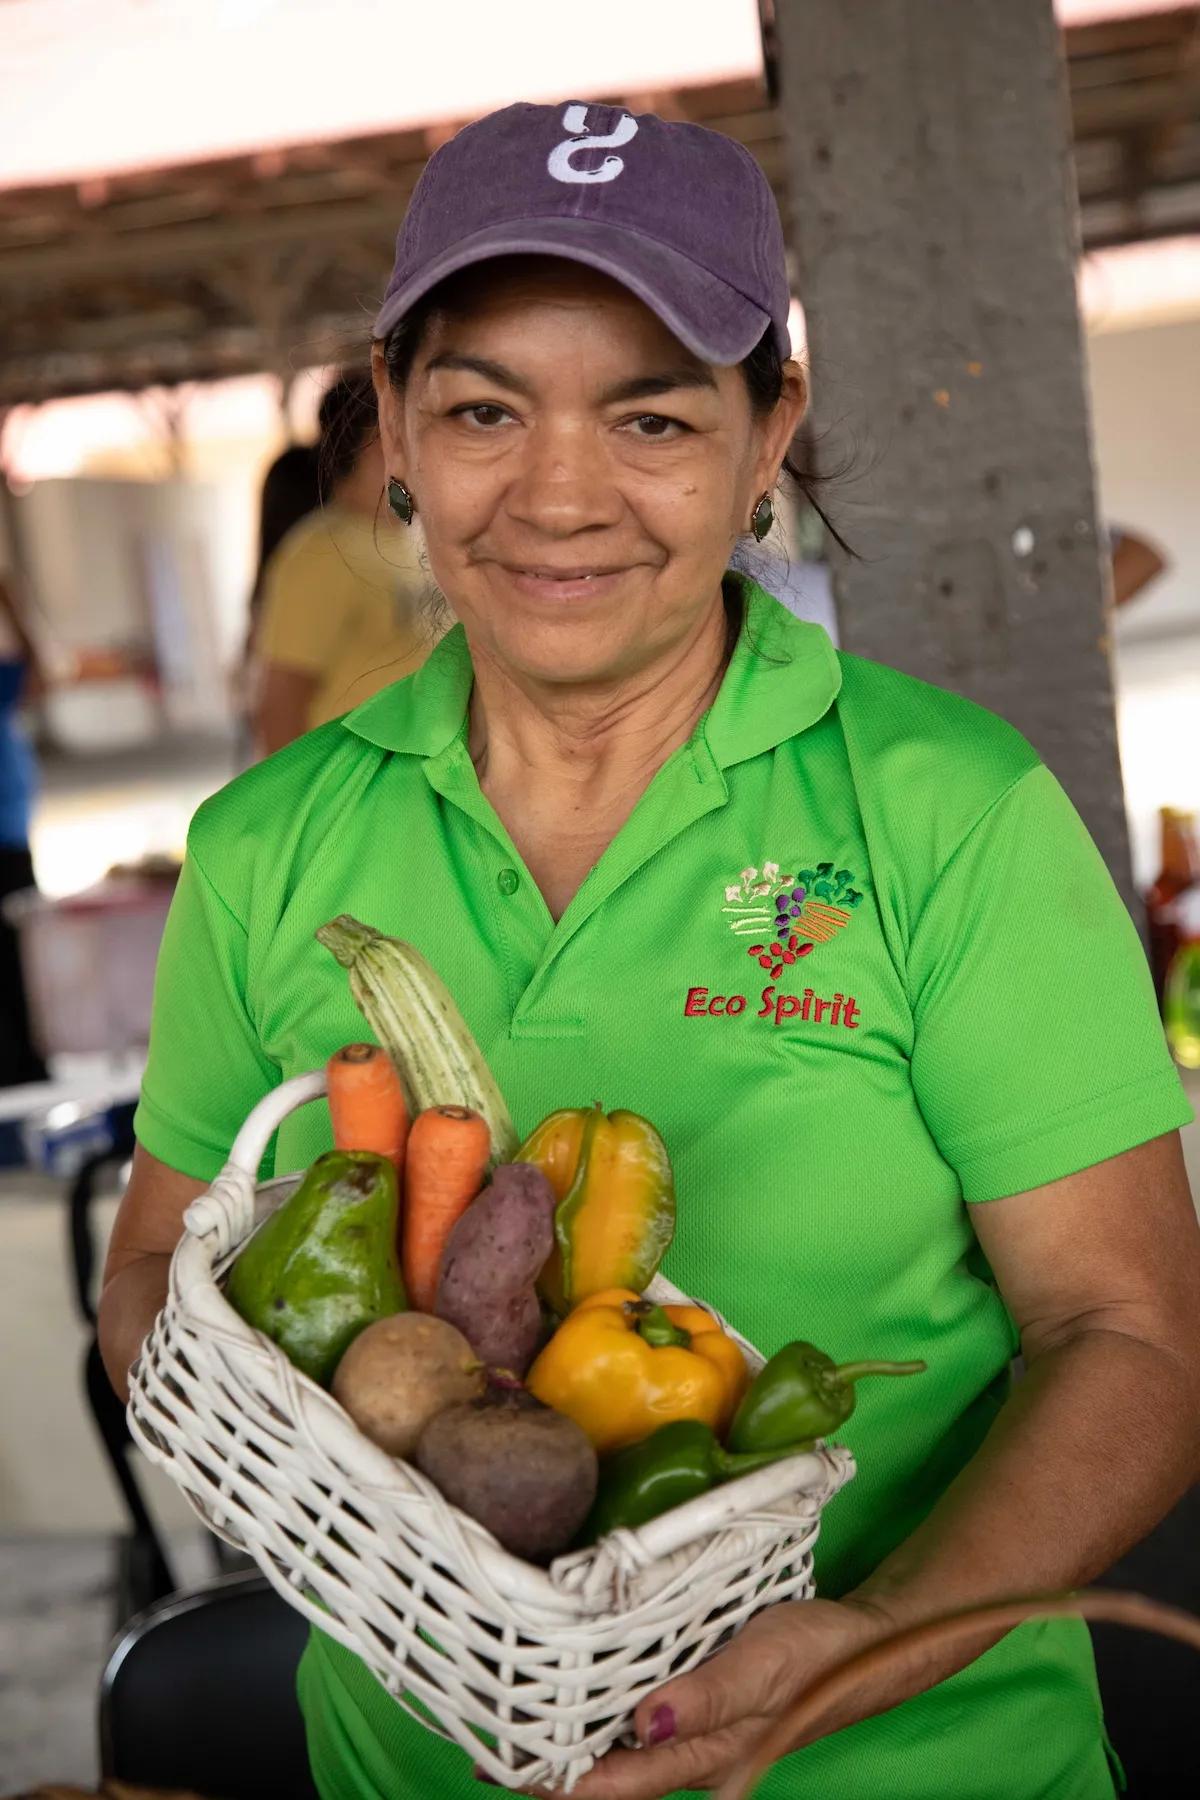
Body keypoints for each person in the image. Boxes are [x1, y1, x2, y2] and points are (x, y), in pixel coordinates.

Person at [98, 102, 1200, 1800]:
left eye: (654, 415)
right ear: (391, 422)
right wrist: (339, 1488)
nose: (558, 495)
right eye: (481, 409)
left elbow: (1131, 1336)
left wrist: (876, 1630)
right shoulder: (267, 848)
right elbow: (152, 1278)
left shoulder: (945, 815)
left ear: (771, 437)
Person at [252, 370, 431, 754]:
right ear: (360, 445)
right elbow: (281, 702)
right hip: (354, 794)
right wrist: (303, 808)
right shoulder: (321, 553)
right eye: (394, 431)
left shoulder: (413, 540)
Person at [0, 569, 48, 1086]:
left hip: (9, 833)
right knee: (14, 966)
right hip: (5, 841)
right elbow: (38, 674)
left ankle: (24, 1072)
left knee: (19, 963)